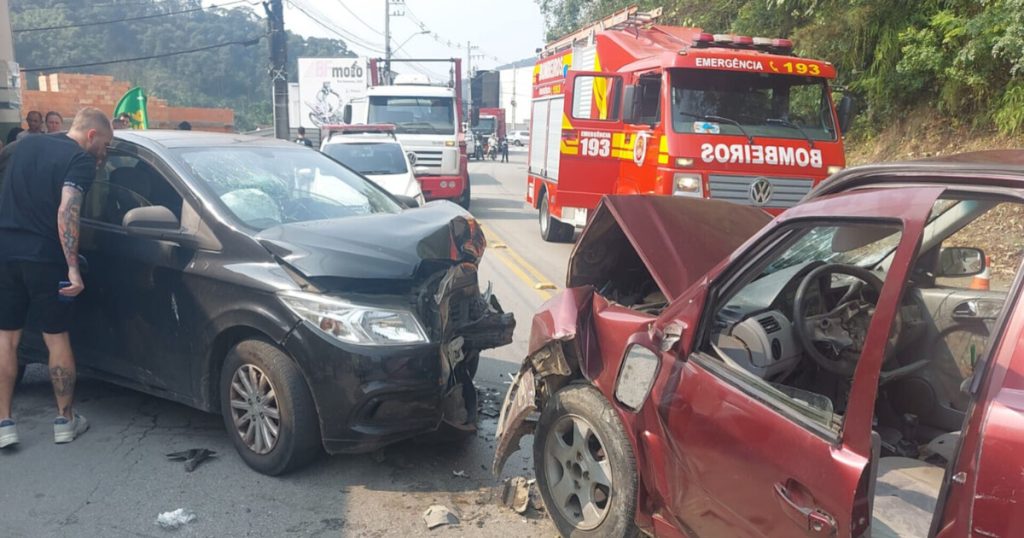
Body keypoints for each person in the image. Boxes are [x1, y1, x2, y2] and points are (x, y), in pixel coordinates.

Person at [0, 107, 113, 448]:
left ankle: (4, 422)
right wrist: (73, 267)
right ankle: (65, 419)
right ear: (91, 135)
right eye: (105, 144)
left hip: (5, 253)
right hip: (46, 259)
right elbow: (67, 210)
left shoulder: (28, 145)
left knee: (6, 340)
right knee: (56, 338)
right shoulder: (78, 160)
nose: (104, 153)